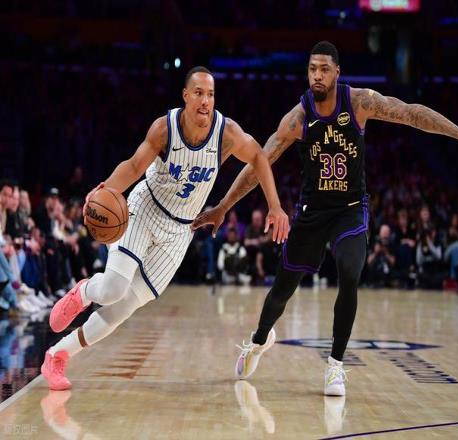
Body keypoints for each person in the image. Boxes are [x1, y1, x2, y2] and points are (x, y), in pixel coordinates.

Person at [192, 41, 458, 396]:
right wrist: (223, 206)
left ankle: (335, 365)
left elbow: (409, 112)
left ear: (337, 72)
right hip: (312, 211)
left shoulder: (359, 102)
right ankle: (259, 339)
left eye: (324, 69)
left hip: (350, 209)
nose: (317, 76)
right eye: (312, 69)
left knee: (350, 274)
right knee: (281, 291)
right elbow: (258, 164)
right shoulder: (298, 117)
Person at [41, 66, 289, 390]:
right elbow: (133, 166)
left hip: (180, 231)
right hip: (146, 209)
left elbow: (258, 157)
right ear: (185, 96)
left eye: (211, 94)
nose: (205, 101)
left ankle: (57, 355)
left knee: (122, 309)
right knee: (113, 289)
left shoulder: (226, 133)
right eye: (198, 93)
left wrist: (274, 206)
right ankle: (84, 292)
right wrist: (108, 189)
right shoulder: (164, 128)